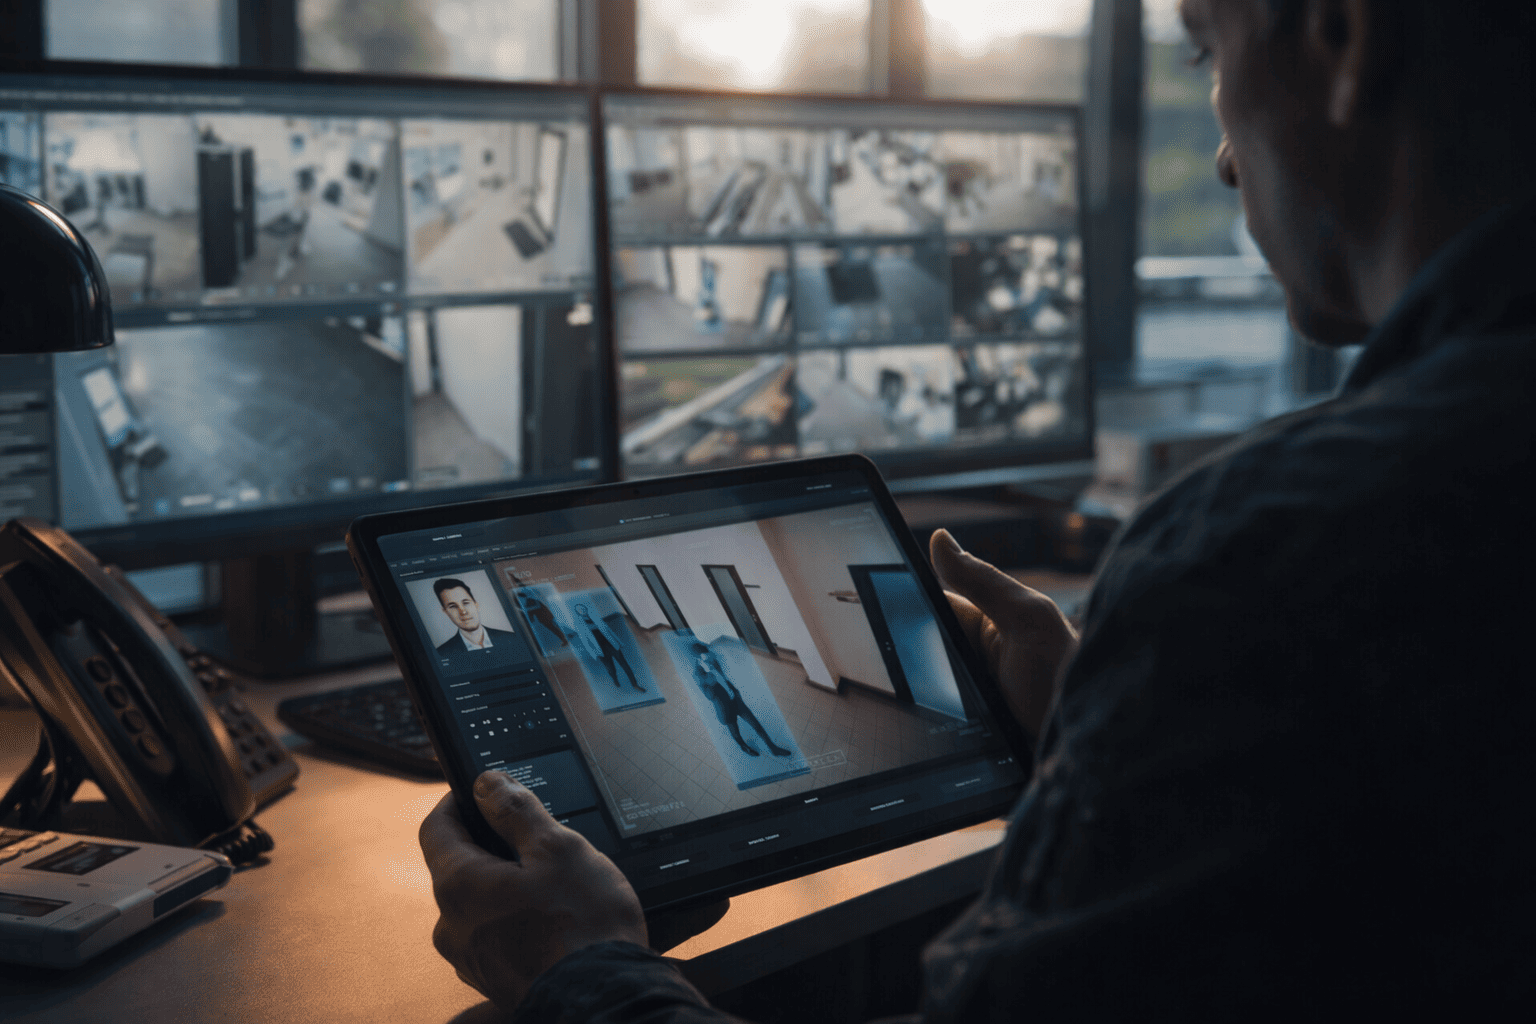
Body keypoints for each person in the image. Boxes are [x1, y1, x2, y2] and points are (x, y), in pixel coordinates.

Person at [417, 1, 1536, 1017]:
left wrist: (582, 971)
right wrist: (1093, 744)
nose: (1226, 157)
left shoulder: (1269, 560)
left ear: (1343, 39)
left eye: (1206, 53)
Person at [689, 640, 793, 759]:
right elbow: (709, 696)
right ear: (699, 658)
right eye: (706, 656)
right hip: (724, 707)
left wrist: (735, 691)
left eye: (708, 655)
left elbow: (723, 677)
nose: (710, 658)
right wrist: (710, 673)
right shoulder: (697, 674)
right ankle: (743, 746)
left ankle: (773, 748)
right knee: (735, 730)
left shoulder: (713, 661)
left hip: (735, 699)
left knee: (755, 723)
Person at [432, 577, 521, 671]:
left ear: (476, 604)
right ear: (445, 612)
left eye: (466, 603)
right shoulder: (441, 654)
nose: (463, 612)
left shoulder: (513, 639)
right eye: (453, 606)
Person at [574, 603, 646, 694]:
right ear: (578, 612)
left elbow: (609, 630)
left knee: (625, 665)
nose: (582, 610)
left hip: (612, 645)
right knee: (611, 668)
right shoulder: (579, 624)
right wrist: (594, 653)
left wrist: (619, 642)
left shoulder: (595, 618)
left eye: (583, 608)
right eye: (580, 609)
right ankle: (615, 679)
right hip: (600, 649)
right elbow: (585, 641)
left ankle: (635, 684)